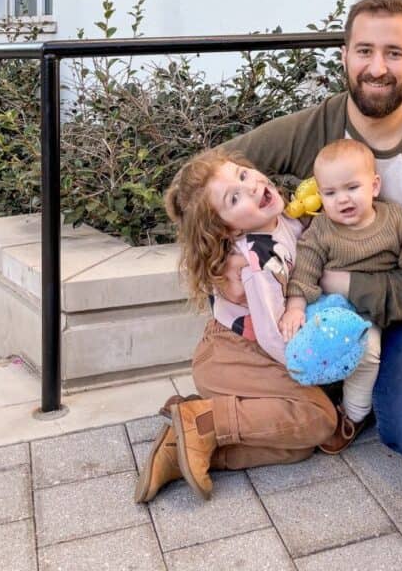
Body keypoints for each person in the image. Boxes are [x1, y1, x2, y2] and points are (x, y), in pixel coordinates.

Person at [227, 0, 402, 463]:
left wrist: (347, 283)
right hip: (316, 307)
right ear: (345, 56)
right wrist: (221, 258)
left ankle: (383, 392)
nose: (377, 67)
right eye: (365, 51)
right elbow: (199, 180)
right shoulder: (313, 130)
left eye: (394, 53)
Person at [134, 148, 337, 504]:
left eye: (243, 175)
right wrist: (310, 375)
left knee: (296, 447)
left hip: (248, 352)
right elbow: (275, 337)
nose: (252, 186)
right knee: (318, 419)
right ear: (228, 227)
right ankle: (201, 420)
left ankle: (187, 448)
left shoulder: (284, 221)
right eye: (234, 197)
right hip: (232, 356)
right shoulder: (257, 264)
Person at [280, 138, 402, 453]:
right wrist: (295, 307)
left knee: (367, 352)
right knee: (312, 342)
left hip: (372, 309)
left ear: (375, 186)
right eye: (330, 193)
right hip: (332, 306)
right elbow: (306, 270)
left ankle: (354, 412)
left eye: (352, 188)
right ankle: (316, 397)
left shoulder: (394, 218)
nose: (342, 200)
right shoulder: (322, 229)